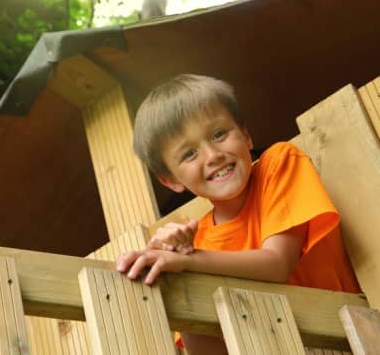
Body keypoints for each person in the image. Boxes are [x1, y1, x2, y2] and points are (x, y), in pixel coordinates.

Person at [115, 74, 360, 354]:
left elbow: (277, 264)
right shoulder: (199, 243)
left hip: (345, 339)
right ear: (171, 180)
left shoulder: (278, 164)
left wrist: (188, 262)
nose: (212, 155)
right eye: (189, 154)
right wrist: (172, 278)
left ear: (245, 135)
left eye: (219, 135)